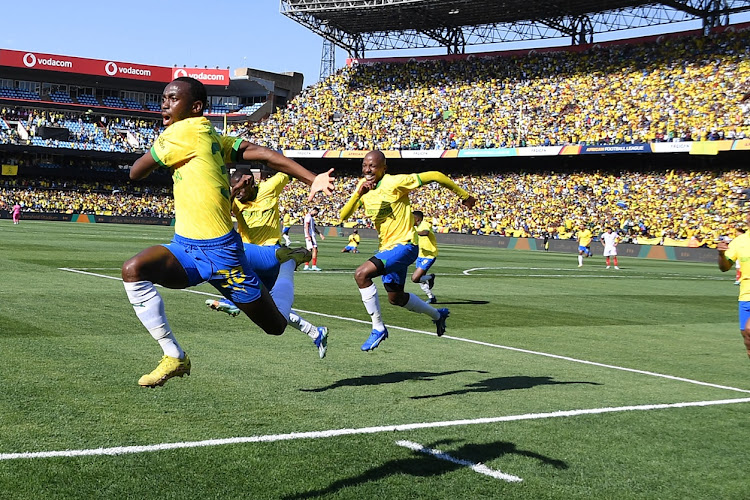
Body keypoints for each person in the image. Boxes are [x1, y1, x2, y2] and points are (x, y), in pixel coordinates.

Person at [121, 77, 334, 388]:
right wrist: (310, 177)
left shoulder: (179, 133)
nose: (164, 103)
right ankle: (175, 356)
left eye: (171, 98)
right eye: (163, 98)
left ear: (195, 107)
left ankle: (287, 265)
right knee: (134, 270)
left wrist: (162, 148)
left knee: (275, 326)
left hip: (223, 256)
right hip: (186, 248)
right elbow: (262, 153)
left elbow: (135, 171)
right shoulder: (209, 136)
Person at [339, 150, 476, 351]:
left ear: (384, 169)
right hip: (388, 248)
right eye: (365, 166)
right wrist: (359, 195)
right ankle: (438, 315)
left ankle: (378, 328)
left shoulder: (395, 182)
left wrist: (464, 196)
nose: (368, 170)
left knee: (361, 275)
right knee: (396, 299)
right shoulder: (364, 188)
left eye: (373, 166)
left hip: (405, 245)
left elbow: (436, 175)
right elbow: (344, 214)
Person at [205, 166, 329, 358]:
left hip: (270, 254)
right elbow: (220, 212)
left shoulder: (270, 187)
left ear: (250, 182)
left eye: (240, 189)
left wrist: (313, 181)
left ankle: (234, 299)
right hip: (254, 263)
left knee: (226, 248)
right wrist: (234, 190)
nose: (238, 195)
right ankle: (314, 331)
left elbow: (288, 169)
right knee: (272, 312)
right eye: (234, 191)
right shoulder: (236, 201)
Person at [717, 212, 750, 359]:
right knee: (747, 339)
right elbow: (724, 267)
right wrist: (721, 255)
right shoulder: (739, 241)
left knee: (749, 329)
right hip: (745, 295)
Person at [411, 210, 438, 304]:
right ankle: (431, 297)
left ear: (417, 218)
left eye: (412, 218)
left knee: (415, 278)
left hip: (430, 255)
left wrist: (414, 232)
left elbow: (425, 232)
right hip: (420, 256)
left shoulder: (425, 224)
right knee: (421, 279)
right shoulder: (415, 228)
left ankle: (431, 277)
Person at [302, 207, 325, 271]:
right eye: (316, 213)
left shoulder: (311, 218)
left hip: (311, 235)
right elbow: (306, 226)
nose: (316, 215)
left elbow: (314, 228)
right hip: (310, 236)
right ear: (314, 211)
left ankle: (307, 266)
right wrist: (308, 235)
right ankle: (312, 266)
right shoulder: (308, 217)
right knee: (314, 250)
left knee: (311, 250)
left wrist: (320, 234)